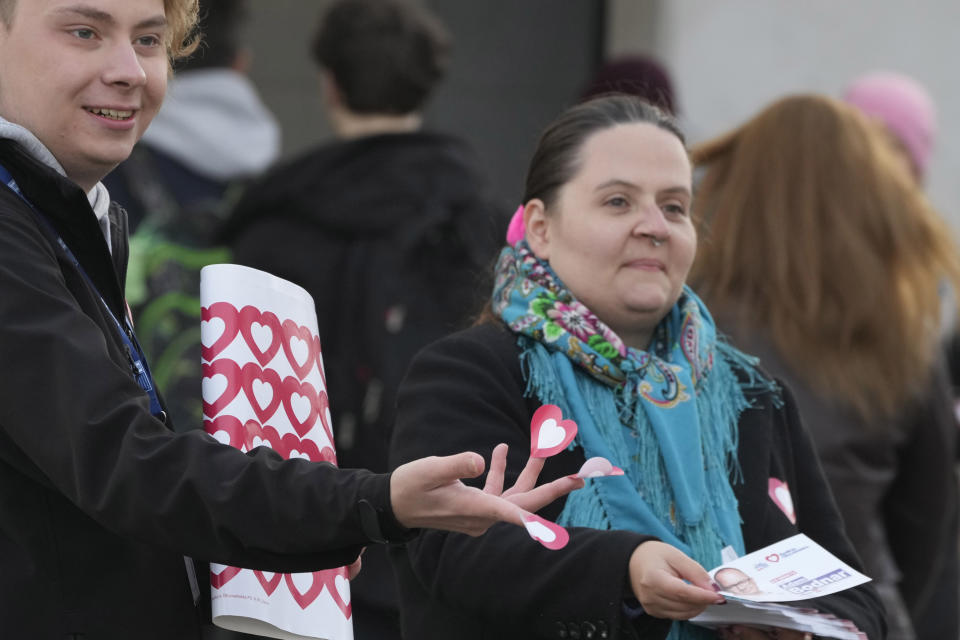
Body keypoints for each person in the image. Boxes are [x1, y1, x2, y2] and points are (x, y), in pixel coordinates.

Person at [0, 1, 580, 638]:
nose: (130, 70)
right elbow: (122, 462)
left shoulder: (70, 212)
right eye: (85, 32)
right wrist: (368, 505)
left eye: (148, 39)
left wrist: (315, 524)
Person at [388, 95, 885, 640]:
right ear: (540, 227)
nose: (655, 226)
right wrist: (626, 568)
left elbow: (854, 596)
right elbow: (451, 550)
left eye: (674, 207)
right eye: (619, 202)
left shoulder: (753, 394)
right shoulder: (472, 374)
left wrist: (804, 629)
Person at [218, 0, 507, 636]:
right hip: (449, 540)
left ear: (330, 83)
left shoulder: (271, 227)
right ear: (427, 84)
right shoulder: (482, 227)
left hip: (293, 545)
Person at [689, 94, 960, 640]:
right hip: (860, 616)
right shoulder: (901, 333)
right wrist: (872, 604)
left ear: (738, 185)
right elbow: (927, 519)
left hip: (723, 618)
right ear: (868, 196)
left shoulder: (689, 324)